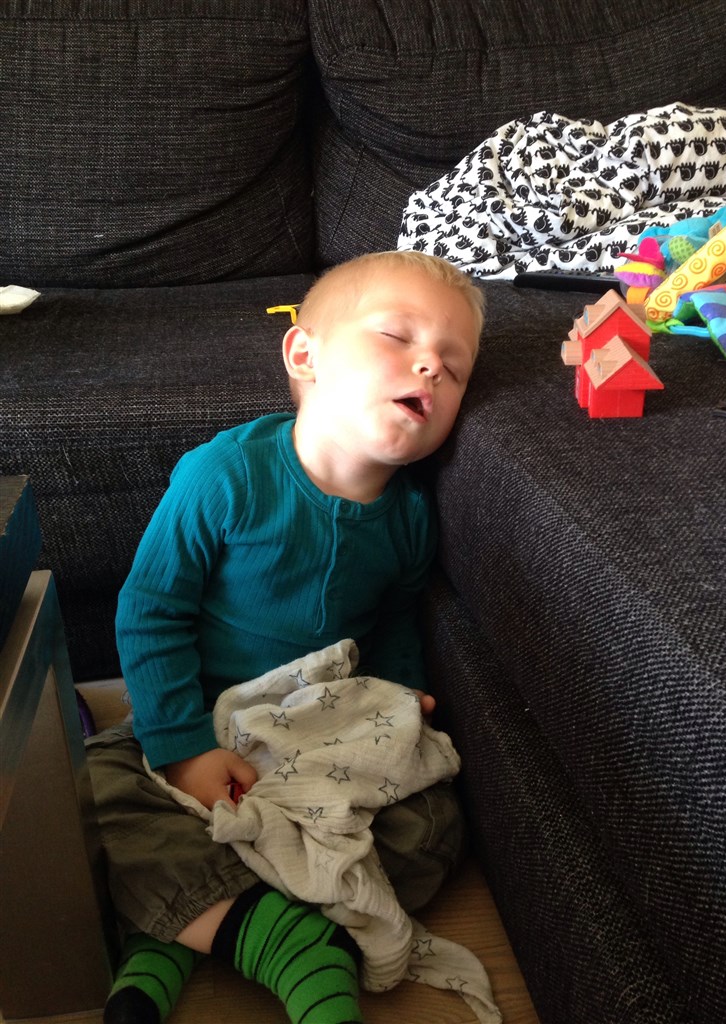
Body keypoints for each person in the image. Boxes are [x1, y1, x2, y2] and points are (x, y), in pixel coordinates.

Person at [88, 249, 485, 1024]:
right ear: (305, 354)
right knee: (95, 792)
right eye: (397, 335)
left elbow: (395, 620)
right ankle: (288, 942)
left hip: (322, 739)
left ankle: (201, 926)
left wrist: (400, 696)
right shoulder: (224, 475)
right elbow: (149, 611)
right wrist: (183, 750)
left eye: (456, 366)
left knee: (435, 826)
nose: (431, 366)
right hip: (204, 720)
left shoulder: (410, 516)